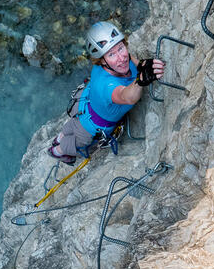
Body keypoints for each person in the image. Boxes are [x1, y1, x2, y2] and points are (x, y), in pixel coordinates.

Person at [48, 21, 165, 165]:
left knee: (71, 126)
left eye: (121, 48)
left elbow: (129, 59)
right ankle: (57, 151)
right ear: (101, 60)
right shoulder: (106, 86)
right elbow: (127, 96)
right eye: (111, 54)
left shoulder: (116, 62)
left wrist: (140, 65)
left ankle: (59, 137)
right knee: (76, 144)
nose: (121, 58)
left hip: (82, 106)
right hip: (88, 128)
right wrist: (141, 80)